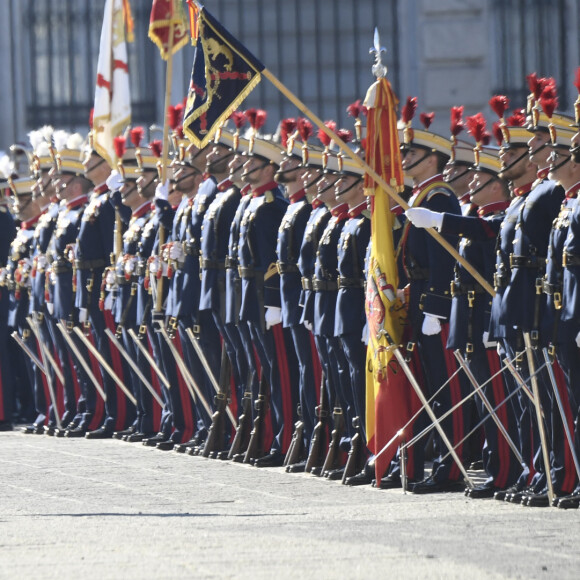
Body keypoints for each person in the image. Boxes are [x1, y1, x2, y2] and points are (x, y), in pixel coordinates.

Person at [397, 99, 468, 494]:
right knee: (430, 387)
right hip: (421, 296)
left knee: (446, 387)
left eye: (411, 152)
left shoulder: (439, 199)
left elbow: (444, 258)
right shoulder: (422, 195)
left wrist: (437, 307)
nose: (404, 157)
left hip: (434, 301)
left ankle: (453, 465)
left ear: (432, 158)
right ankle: (438, 462)